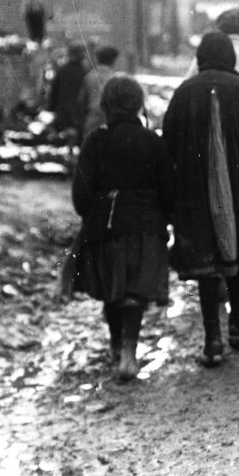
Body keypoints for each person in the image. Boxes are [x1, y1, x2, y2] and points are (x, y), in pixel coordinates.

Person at [163, 31, 239, 366]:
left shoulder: (185, 91)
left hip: (195, 188)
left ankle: (212, 338)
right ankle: (237, 322)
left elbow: (169, 140)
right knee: (235, 251)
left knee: (206, 261)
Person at [71, 76, 175, 381]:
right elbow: (169, 191)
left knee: (112, 289)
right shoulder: (153, 141)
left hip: (105, 227)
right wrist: (163, 220)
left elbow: (80, 195)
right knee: (134, 292)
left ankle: (116, 346)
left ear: (106, 105)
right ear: (138, 104)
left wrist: (90, 218)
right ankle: (129, 352)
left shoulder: (94, 141)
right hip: (145, 227)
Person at [47, 43, 90, 143]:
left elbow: (54, 92)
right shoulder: (84, 73)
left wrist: (51, 108)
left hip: (62, 112)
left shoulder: (62, 71)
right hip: (78, 114)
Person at [80, 45, 120, 139]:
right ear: (113, 61)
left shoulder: (89, 77)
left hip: (92, 117)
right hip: (110, 119)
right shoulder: (116, 79)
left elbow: (81, 100)